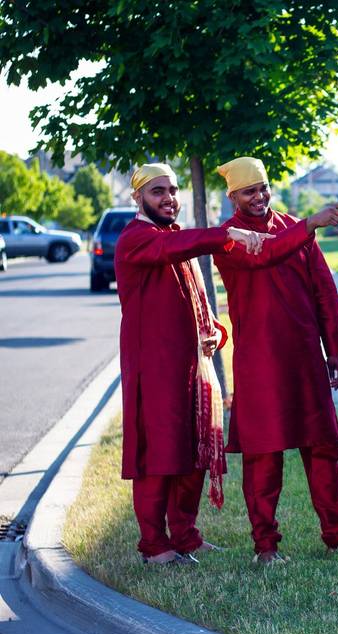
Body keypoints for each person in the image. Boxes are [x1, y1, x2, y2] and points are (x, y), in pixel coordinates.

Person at [115, 162, 270, 564]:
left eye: (173, 190)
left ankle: (185, 535)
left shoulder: (175, 236)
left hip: (191, 367)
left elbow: (193, 295)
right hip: (155, 370)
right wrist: (225, 234)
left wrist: (214, 328)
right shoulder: (135, 238)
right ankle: (154, 545)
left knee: (192, 454)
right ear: (137, 198)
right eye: (157, 191)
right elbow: (172, 251)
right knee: (158, 458)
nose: (168, 198)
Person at [213, 157, 338, 564]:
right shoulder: (229, 235)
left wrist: (335, 350)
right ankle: (266, 546)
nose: (259, 197)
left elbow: (324, 290)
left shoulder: (292, 225)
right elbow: (265, 255)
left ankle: (337, 535)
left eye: (263, 188)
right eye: (248, 191)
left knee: (322, 448)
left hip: (306, 357)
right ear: (233, 196)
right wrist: (309, 224)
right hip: (260, 363)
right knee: (263, 457)